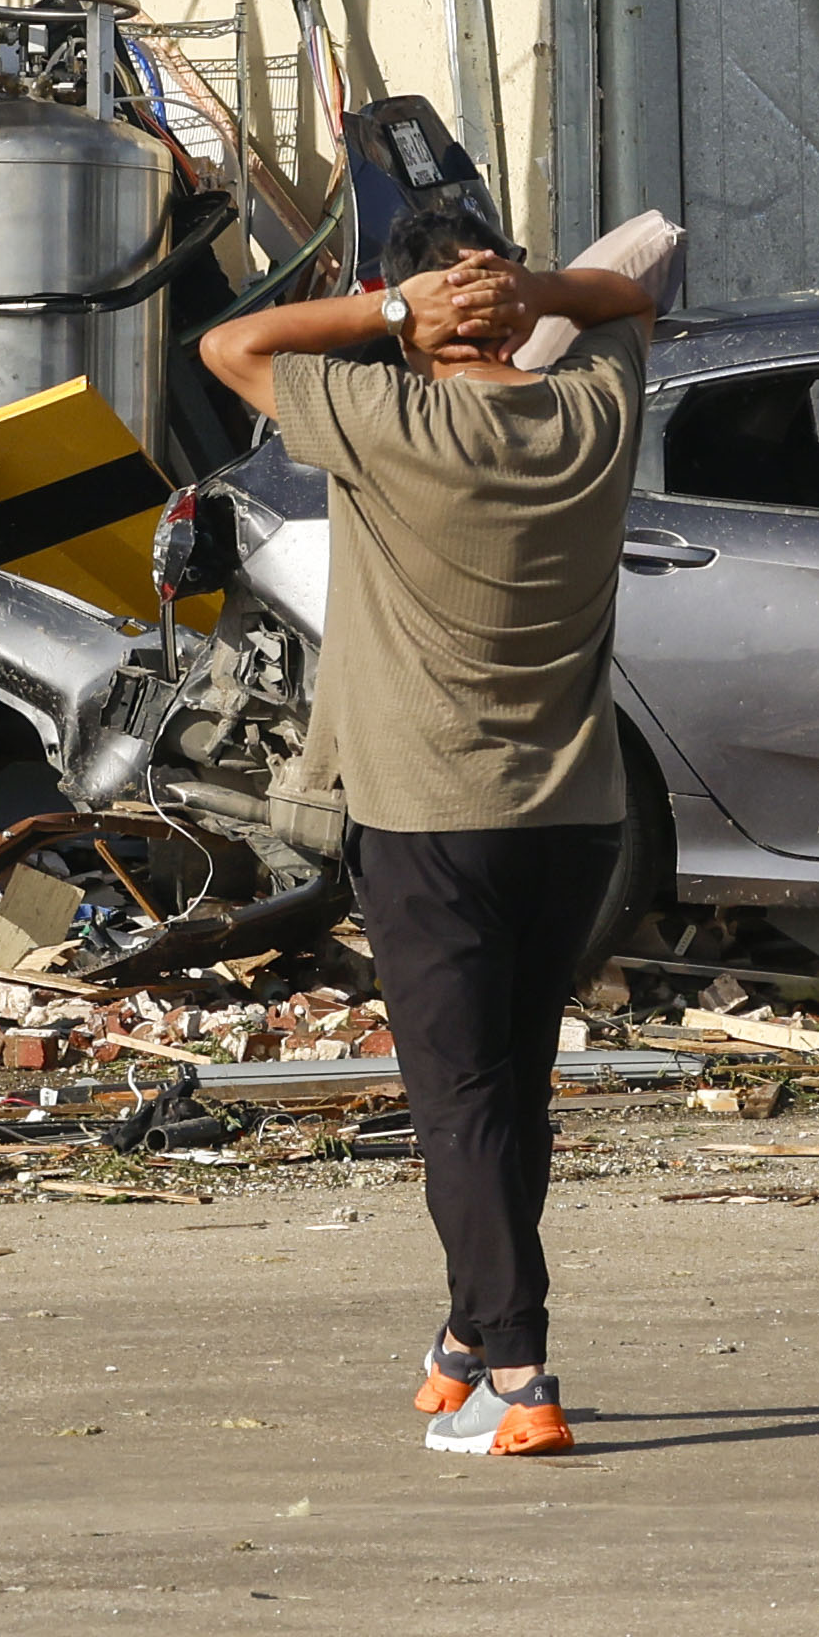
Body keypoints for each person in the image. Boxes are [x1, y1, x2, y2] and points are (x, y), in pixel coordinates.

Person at [195, 216, 660, 1461]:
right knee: (507, 1085)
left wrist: (401, 310)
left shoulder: (384, 420)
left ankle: (520, 1371)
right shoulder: (590, 418)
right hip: (572, 817)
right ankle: (465, 1335)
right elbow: (624, 298)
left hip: (426, 813)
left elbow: (227, 340)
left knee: (458, 1102)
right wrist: (525, 292)